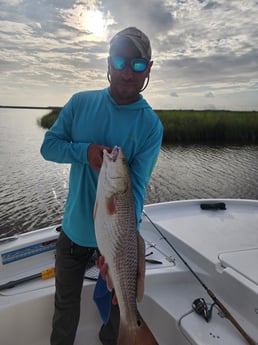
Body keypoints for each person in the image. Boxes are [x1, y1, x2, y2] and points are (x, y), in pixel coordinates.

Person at [40, 26, 163, 345]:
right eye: (120, 61)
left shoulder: (150, 125)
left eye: (138, 65)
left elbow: (135, 190)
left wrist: (127, 250)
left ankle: (126, 333)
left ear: (148, 69)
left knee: (114, 315)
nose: (127, 72)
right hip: (72, 236)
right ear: (108, 63)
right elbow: (49, 146)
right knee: (64, 312)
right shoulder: (80, 103)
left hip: (113, 244)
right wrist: (84, 152)